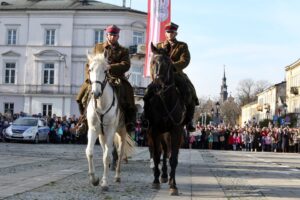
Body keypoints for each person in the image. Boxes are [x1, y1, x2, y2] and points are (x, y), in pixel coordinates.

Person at [76, 24, 136, 133]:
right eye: (110, 35)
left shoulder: (123, 50)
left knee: (127, 91)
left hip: (115, 77)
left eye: (114, 35)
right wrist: (89, 78)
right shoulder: (98, 47)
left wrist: (111, 67)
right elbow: (89, 64)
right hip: (97, 77)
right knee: (82, 94)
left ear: (118, 36)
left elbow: (126, 64)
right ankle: (84, 120)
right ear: (106, 35)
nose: (112, 37)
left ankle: (129, 121)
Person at [144, 22, 199, 132]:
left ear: (176, 33)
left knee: (189, 91)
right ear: (165, 33)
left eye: (172, 32)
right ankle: (146, 118)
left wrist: (173, 66)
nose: (170, 34)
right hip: (161, 75)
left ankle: (189, 121)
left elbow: (185, 60)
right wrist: (154, 76)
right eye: (168, 32)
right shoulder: (159, 46)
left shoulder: (182, 46)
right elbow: (153, 62)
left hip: (176, 73)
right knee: (148, 92)